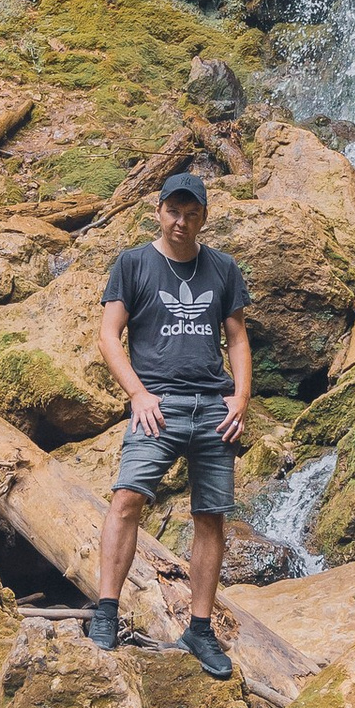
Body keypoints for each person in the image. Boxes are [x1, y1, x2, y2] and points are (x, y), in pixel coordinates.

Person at [92, 170, 251, 677]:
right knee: (126, 499)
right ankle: (105, 613)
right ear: (158, 211)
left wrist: (241, 398)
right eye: (174, 211)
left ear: (204, 217)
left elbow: (238, 338)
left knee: (211, 516)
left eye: (192, 213)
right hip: (155, 404)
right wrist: (137, 394)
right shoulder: (133, 264)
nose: (181, 221)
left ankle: (199, 631)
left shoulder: (223, 268)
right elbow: (108, 336)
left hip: (213, 405)